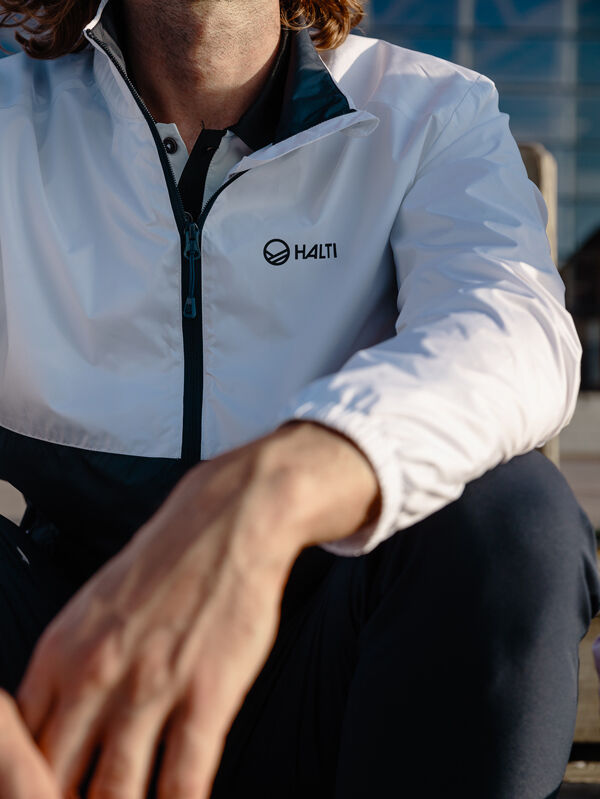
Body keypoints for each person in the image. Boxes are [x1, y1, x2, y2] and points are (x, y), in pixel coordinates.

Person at [0, 0, 597, 796]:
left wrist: (271, 494)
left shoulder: (427, 113)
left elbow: (512, 334)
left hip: (338, 691)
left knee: (514, 518)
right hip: (59, 687)